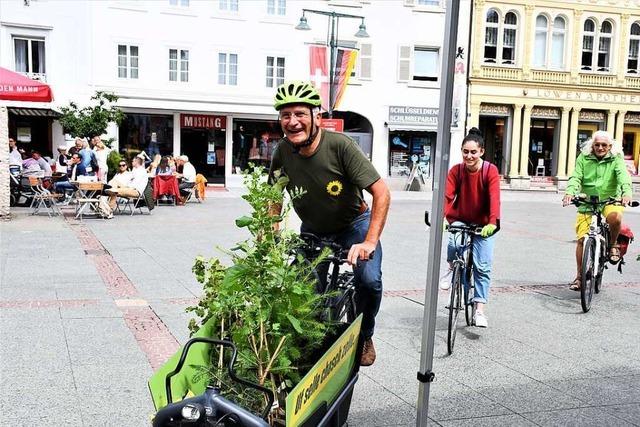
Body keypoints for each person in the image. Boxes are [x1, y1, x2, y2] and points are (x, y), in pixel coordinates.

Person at [268, 81, 391, 366]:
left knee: (369, 281)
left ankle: (365, 335)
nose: (292, 121)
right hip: (313, 229)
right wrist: (270, 237)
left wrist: (369, 241)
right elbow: (273, 199)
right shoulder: (282, 153)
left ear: (316, 117)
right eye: (285, 115)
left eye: (300, 113)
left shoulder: (340, 146)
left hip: (353, 225)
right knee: (303, 291)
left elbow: (381, 192)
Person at [440, 128, 501, 328]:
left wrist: (492, 222)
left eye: (473, 152)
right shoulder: (456, 171)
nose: (469, 156)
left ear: (481, 151)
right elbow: (448, 196)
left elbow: (494, 198)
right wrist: (442, 217)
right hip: (460, 218)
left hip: (484, 223)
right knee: (454, 242)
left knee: (482, 267)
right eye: (465, 151)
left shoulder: (489, 170)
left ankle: (479, 310)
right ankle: (451, 267)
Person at [562, 130, 632, 290]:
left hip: (610, 199)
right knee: (581, 240)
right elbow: (576, 177)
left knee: (615, 217)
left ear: (610, 147)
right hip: (587, 201)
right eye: (597, 145)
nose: (600, 148)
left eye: (604, 145)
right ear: (592, 145)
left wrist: (626, 193)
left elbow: (623, 177)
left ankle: (613, 244)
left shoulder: (616, 159)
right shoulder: (584, 158)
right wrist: (570, 192)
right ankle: (579, 277)